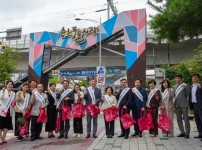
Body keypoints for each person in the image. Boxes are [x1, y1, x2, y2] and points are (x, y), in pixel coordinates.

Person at [189, 73, 202, 140]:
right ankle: (200, 134)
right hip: (194, 105)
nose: (194, 79)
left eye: (196, 77)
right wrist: (190, 106)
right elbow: (190, 96)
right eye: (193, 77)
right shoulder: (191, 86)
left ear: (198, 78)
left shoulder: (200, 85)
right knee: (197, 120)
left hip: (200, 105)